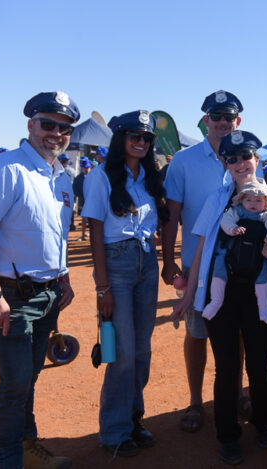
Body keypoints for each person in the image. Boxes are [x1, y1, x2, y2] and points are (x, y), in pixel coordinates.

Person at [173, 130, 267, 465]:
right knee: (227, 365)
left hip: (260, 293)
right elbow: (202, 247)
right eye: (231, 159)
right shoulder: (216, 199)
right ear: (225, 164)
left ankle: (264, 422)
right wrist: (189, 296)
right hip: (222, 293)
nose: (240, 164)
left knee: (260, 363)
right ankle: (228, 435)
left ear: (257, 159)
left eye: (245, 157)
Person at [0, 91, 79, 468]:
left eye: (64, 128)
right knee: (14, 383)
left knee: (30, 377)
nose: (56, 133)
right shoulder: (5, 168)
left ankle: (26, 447)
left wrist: (64, 276)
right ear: (30, 124)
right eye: (48, 124)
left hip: (49, 294)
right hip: (12, 296)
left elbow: (55, 234)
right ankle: (9, 460)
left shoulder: (62, 178)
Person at [82, 110, 167, 457]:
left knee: (142, 349)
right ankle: (114, 431)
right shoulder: (101, 176)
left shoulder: (149, 177)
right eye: (134, 136)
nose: (141, 142)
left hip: (146, 261)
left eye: (146, 138)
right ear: (120, 139)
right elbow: (95, 232)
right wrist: (102, 286)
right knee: (122, 352)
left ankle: (133, 419)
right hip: (115, 264)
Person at [162, 90, 246, 433]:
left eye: (229, 117)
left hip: (241, 265)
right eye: (216, 116)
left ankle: (238, 393)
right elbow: (172, 215)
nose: (223, 122)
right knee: (197, 334)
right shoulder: (183, 161)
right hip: (198, 265)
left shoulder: (247, 157)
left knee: (238, 334)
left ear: (237, 120)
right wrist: (169, 260)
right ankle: (196, 401)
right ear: (205, 120)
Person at [202, 180, 267, 322]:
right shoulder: (237, 211)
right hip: (231, 256)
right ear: (241, 200)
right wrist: (233, 229)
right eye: (248, 200)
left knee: (263, 277)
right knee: (219, 268)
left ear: (265, 203)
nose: (253, 203)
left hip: (257, 257)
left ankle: (264, 309)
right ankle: (215, 301)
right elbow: (226, 221)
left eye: (258, 200)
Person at [73, 156, 93, 241]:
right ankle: (83, 234)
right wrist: (81, 196)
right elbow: (75, 189)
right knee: (84, 217)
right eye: (84, 167)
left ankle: (92, 234)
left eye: (87, 167)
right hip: (83, 200)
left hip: (93, 200)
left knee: (93, 218)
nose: (86, 169)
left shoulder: (95, 177)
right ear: (81, 168)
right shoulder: (78, 178)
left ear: (90, 167)